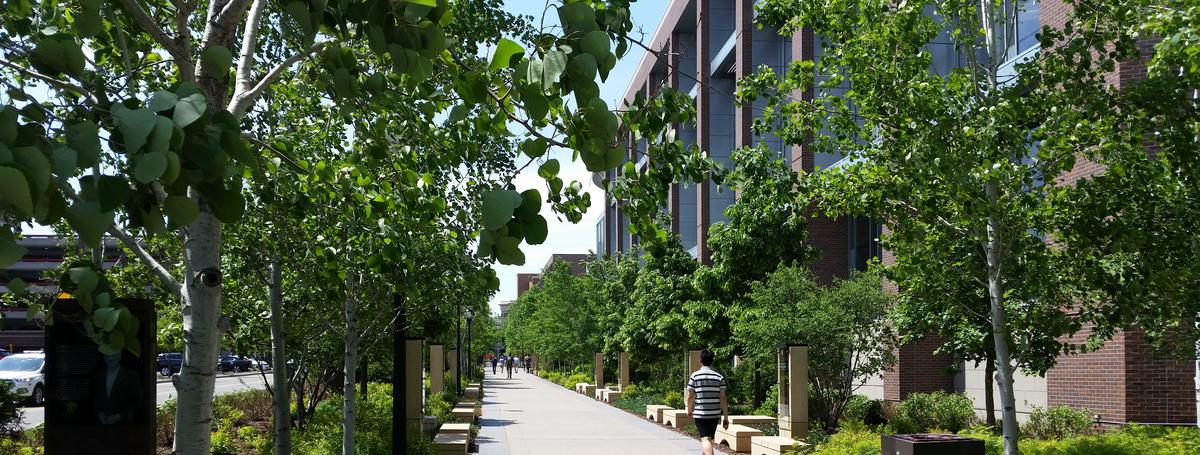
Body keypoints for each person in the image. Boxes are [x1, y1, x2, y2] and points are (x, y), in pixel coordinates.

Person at [686, 349, 728, 455]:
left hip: (701, 414)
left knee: (705, 440)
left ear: (700, 360)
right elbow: (723, 398)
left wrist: (689, 409)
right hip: (714, 414)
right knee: (709, 440)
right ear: (712, 360)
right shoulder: (719, 377)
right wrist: (725, 417)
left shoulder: (695, 376)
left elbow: (690, 396)